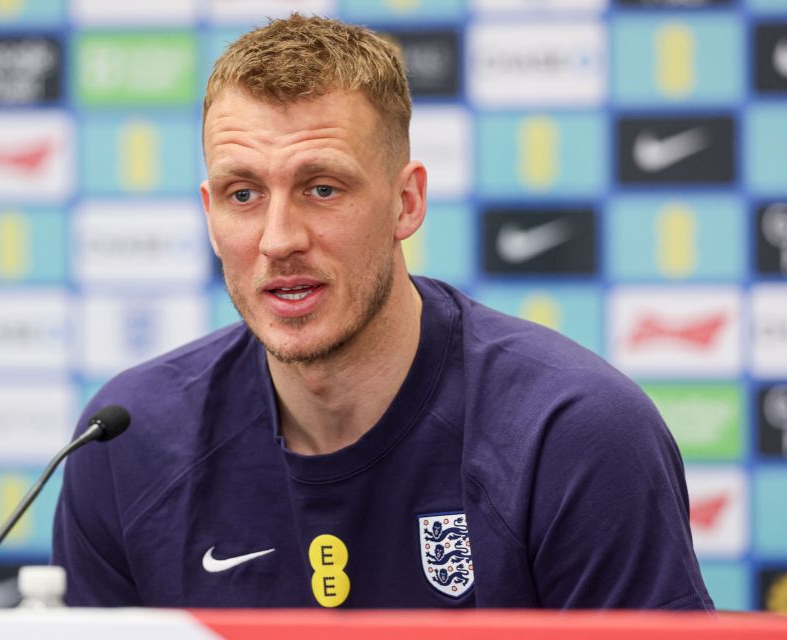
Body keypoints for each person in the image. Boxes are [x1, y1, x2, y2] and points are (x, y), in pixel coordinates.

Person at [52, 14, 714, 610]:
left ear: (407, 203)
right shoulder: (127, 443)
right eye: (243, 193)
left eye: (322, 187)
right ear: (209, 212)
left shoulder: (574, 436)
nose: (279, 239)